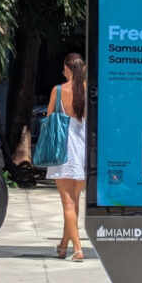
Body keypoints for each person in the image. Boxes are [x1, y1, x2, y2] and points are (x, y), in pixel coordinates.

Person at [46, 53, 87, 262]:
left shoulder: (59, 90)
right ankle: (63, 246)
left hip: (64, 149)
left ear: (67, 68)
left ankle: (78, 249)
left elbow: (49, 118)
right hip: (84, 150)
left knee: (67, 202)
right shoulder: (89, 91)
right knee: (74, 201)